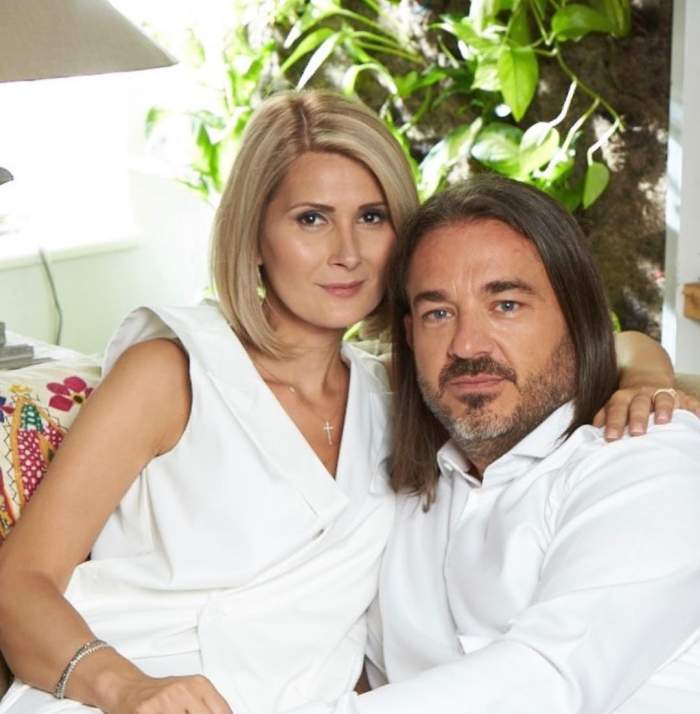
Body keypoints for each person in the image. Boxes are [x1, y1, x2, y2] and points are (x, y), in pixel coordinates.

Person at [0, 92, 690, 714]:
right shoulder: (174, 372)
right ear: (253, 237)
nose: (348, 253)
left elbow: (578, 347)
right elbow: (19, 582)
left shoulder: (401, 396)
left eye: (372, 217)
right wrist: (125, 688)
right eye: (311, 219)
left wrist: (645, 377)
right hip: (130, 694)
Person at [290, 175, 700, 714]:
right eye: (439, 314)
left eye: (506, 305)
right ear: (410, 335)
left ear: (577, 318)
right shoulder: (404, 484)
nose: (466, 345)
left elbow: (548, 679)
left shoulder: (647, 456)